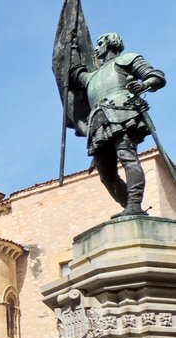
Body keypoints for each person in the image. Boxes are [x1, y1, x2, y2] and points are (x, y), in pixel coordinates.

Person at [70, 32, 166, 218]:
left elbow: (157, 77)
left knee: (127, 157)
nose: (96, 48)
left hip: (122, 113)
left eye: (100, 44)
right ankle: (129, 207)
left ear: (110, 43)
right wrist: (72, 46)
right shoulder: (91, 77)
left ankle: (134, 205)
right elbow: (74, 73)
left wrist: (143, 84)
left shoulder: (126, 59)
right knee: (106, 175)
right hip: (98, 122)